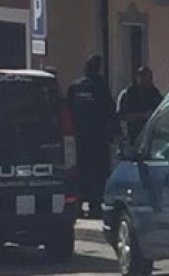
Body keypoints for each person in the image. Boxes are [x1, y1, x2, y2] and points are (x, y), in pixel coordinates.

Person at [67, 55, 116, 219]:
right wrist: (116, 133)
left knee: (81, 171)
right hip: (96, 138)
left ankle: (80, 205)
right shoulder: (100, 87)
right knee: (97, 172)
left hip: (81, 139)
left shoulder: (76, 86)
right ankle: (93, 205)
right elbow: (110, 112)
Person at [117, 67, 162, 144]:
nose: (149, 81)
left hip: (150, 136)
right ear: (139, 78)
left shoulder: (154, 92)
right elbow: (122, 115)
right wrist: (142, 115)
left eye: (150, 78)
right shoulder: (128, 94)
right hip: (133, 135)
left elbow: (161, 108)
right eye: (146, 78)